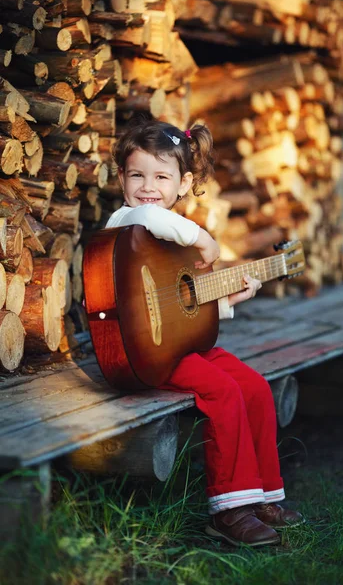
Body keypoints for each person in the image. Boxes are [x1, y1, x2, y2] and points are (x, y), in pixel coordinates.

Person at [105, 115, 304, 547]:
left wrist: (227, 303)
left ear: (184, 183)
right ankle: (229, 510)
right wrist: (205, 238)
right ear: (121, 178)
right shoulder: (129, 224)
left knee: (252, 386)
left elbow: (179, 309)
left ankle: (263, 496)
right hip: (143, 358)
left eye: (161, 176)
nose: (147, 186)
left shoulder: (168, 246)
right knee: (222, 391)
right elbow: (146, 215)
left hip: (175, 347)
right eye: (136, 174)